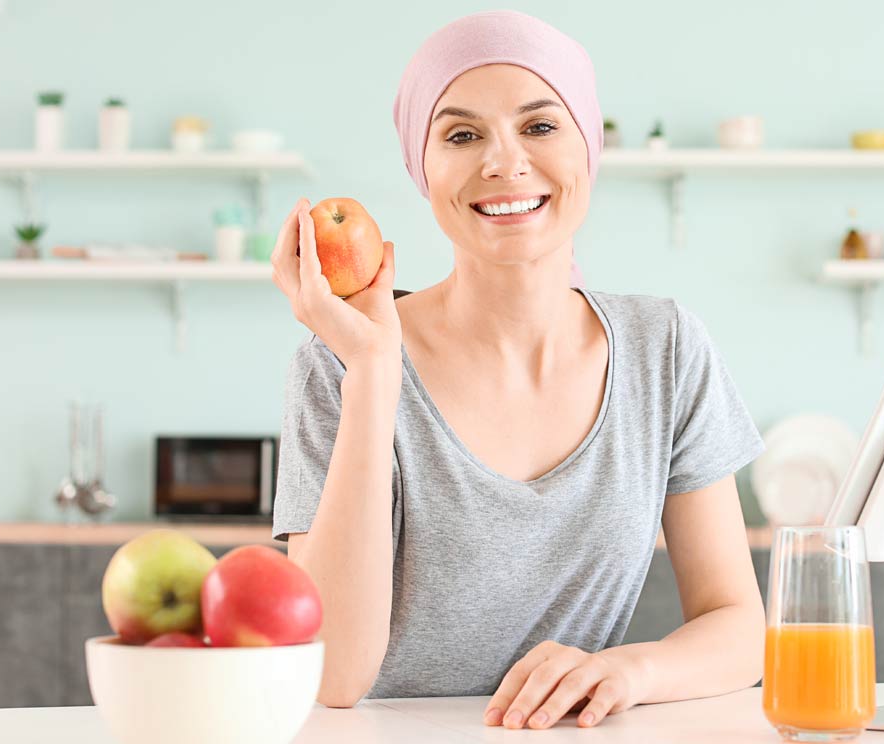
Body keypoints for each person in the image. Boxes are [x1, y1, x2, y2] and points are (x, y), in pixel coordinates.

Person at [268, 9, 766, 731]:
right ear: (423, 167)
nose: (503, 163)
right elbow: (333, 675)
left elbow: (739, 625)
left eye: (539, 126)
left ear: (587, 147)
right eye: (462, 135)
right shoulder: (337, 365)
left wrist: (631, 669)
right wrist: (375, 371)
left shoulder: (666, 349)